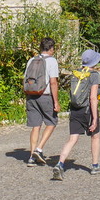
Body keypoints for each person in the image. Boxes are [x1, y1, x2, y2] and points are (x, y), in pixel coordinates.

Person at [52, 49, 100, 180]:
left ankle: (60, 164)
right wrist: (94, 119)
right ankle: (95, 166)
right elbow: (93, 98)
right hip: (88, 110)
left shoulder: (76, 73)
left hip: (75, 109)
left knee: (72, 138)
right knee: (95, 136)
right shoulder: (94, 75)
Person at [24, 37, 60, 166]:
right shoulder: (52, 61)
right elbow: (53, 82)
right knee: (52, 122)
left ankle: (31, 157)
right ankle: (39, 149)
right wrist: (56, 101)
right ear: (51, 48)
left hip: (31, 95)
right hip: (45, 95)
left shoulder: (32, 60)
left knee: (36, 125)